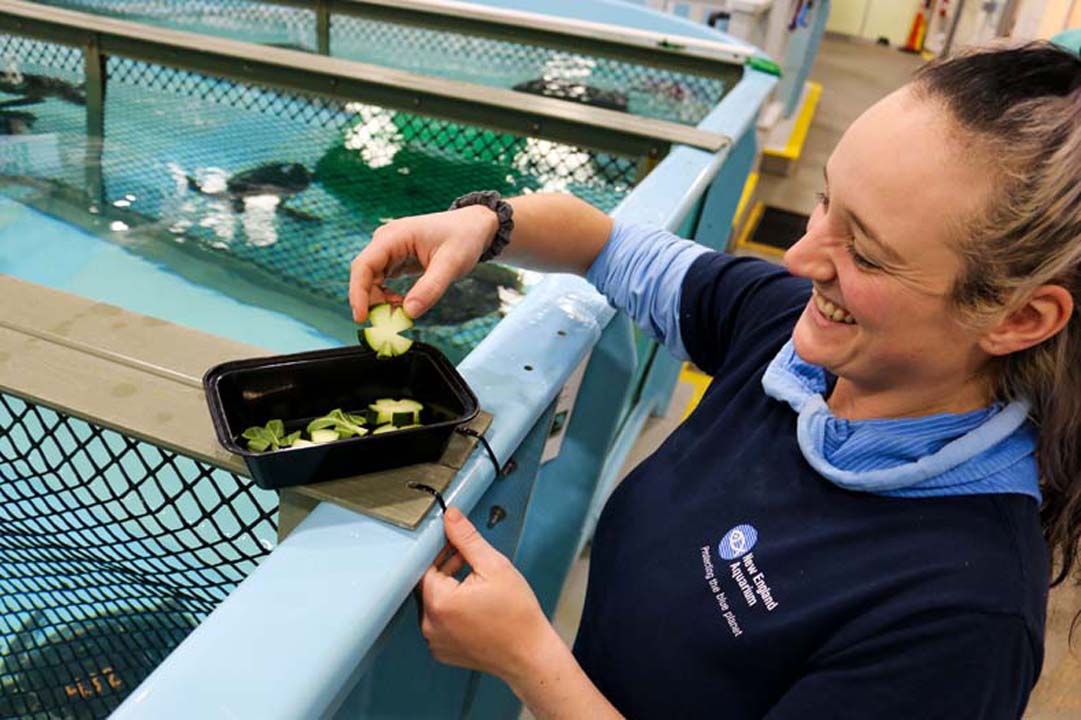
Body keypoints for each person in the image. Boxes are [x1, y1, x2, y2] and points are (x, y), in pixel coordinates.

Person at [348, 43, 1081, 719]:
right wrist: (486, 224)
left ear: (1018, 318)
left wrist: (526, 659)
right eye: (827, 201)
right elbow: (606, 246)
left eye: (868, 254)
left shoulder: (961, 620)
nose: (800, 258)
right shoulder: (790, 336)